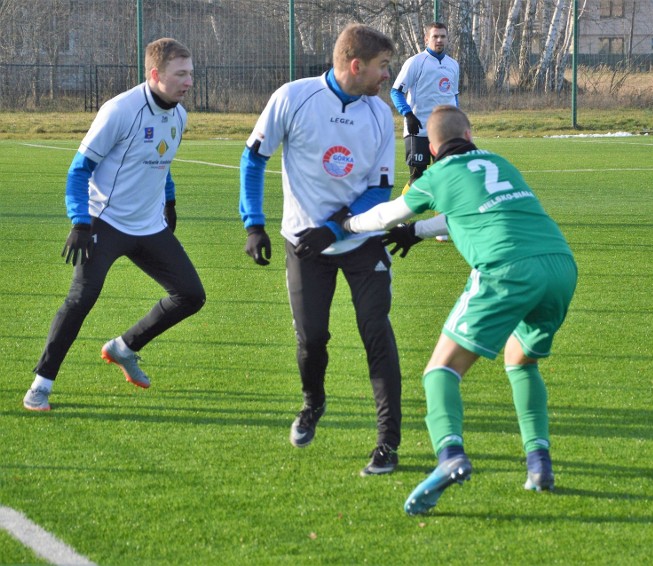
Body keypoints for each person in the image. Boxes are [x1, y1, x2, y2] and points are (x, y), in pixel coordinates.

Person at [343, 105, 578, 514]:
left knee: (441, 370)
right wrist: (417, 233)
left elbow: (387, 215)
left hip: (507, 267)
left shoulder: (436, 175)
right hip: (559, 264)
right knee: (521, 361)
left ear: (432, 150)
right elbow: (475, 215)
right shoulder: (499, 162)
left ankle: (450, 455)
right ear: (470, 136)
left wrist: (347, 225)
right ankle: (539, 465)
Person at [239, 23, 402, 477]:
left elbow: (380, 191)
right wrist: (254, 225)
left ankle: (387, 443)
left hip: (361, 240)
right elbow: (253, 158)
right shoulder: (293, 97)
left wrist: (335, 228)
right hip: (302, 244)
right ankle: (313, 403)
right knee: (312, 340)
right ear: (357, 65)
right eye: (382, 67)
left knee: (377, 333)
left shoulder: (378, 114)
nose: (386, 76)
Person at [23, 38, 206, 412]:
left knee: (190, 294)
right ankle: (40, 385)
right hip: (104, 224)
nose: (189, 82)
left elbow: (161, 162)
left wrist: (169, 200)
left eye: (191, 74)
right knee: (81, 299)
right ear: (155, 75)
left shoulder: (180, 115)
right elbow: (79, 171)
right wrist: (80, 221)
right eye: (181, 74)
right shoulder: (120, 110)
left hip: (150, 226)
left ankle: (124, 348)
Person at [390, 21, 460, 242]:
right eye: (435, 36)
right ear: (426, 39)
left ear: (448, 39)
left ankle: (441, 224)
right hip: (418, 129)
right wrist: (408, 115)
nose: (439, 40)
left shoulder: (453, 65)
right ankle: (400, 215)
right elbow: (396, 92)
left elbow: (453, 96)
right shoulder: (415, 63)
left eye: (443, 36)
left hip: (444, 132)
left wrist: (457, 120)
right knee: (418, 178)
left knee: (445, 176)